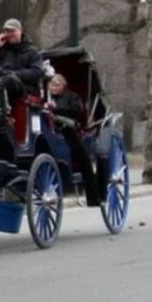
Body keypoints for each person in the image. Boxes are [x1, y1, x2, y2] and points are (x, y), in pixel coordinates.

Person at [46, 73, 100, 206]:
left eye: (57, 85)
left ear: (63, 86)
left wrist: (56, 109)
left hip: (68, 130)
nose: (54, 88)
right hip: (49, 130)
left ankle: (93, 196)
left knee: (81, 156)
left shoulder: (71, 96)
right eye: (52, 85)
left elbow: (77, 110)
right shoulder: (45, 98)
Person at [0, 18, 45, 102]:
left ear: (20, 31)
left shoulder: (31, 51)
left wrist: (14, 73)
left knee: (9, 81)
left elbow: (36, 72)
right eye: (7, 31)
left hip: (24, 89)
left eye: (13, 31)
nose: (10, 34)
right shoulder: (0, 50)